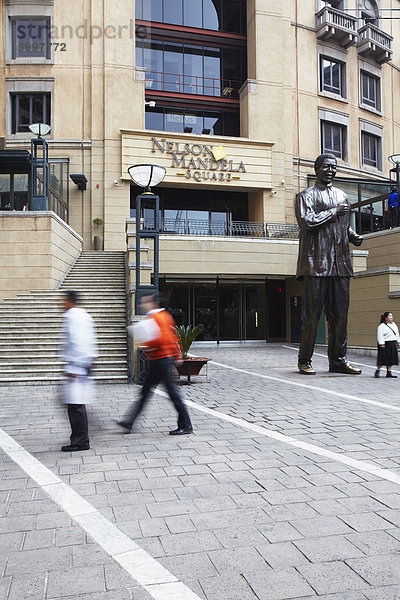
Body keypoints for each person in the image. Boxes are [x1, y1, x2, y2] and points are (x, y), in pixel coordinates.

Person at [295, 153, 364, 375]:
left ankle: (339, 361)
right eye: (326, 167)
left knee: (340, 317)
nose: (331, 171)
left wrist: (353, 235)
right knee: (312, 317)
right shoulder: (306, 196)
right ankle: (304, 360)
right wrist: (333, 212)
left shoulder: (343, 195)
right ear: (317, 169)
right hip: (316, 265)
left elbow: (343, 225)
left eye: (334, 167)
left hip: (340, 264)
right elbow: (307, 222)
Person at [117, 291, 193, 435]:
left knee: (170, 394)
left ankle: (186, 425)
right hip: (160, 360)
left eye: (145, 302)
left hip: (161, 361)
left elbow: (162, 339)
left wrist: (146, 340)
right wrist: (177, 355)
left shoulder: (158, 318)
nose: (143, 305)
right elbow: (173, 337)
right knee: (147, 393)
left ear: (153, 303)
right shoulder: (163, 316)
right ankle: (129, 422)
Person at [59, 290, 98, 451]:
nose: (61, 304)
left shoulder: (71, 317)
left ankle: (81, 441)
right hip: (85, 363)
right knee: (75, 403)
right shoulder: (85, 315)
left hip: (78, 364)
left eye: (63, 301)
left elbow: (77, 341)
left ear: (69, 301)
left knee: (75, 405)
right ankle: (81, 437)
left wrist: (74, 366)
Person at [375, 312, 400, 378]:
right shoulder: (381, 326)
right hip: (385, 344)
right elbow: (380, 336)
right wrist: (381, 344)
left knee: (391, 358)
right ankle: (378, 370)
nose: (392, 317)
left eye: (392, 316)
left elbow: (397, 333)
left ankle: (389, 372)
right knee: (382, 358)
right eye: (390, 316)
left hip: (393, 343)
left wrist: (398, 342)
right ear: (386, 318)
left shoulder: (394, 324)